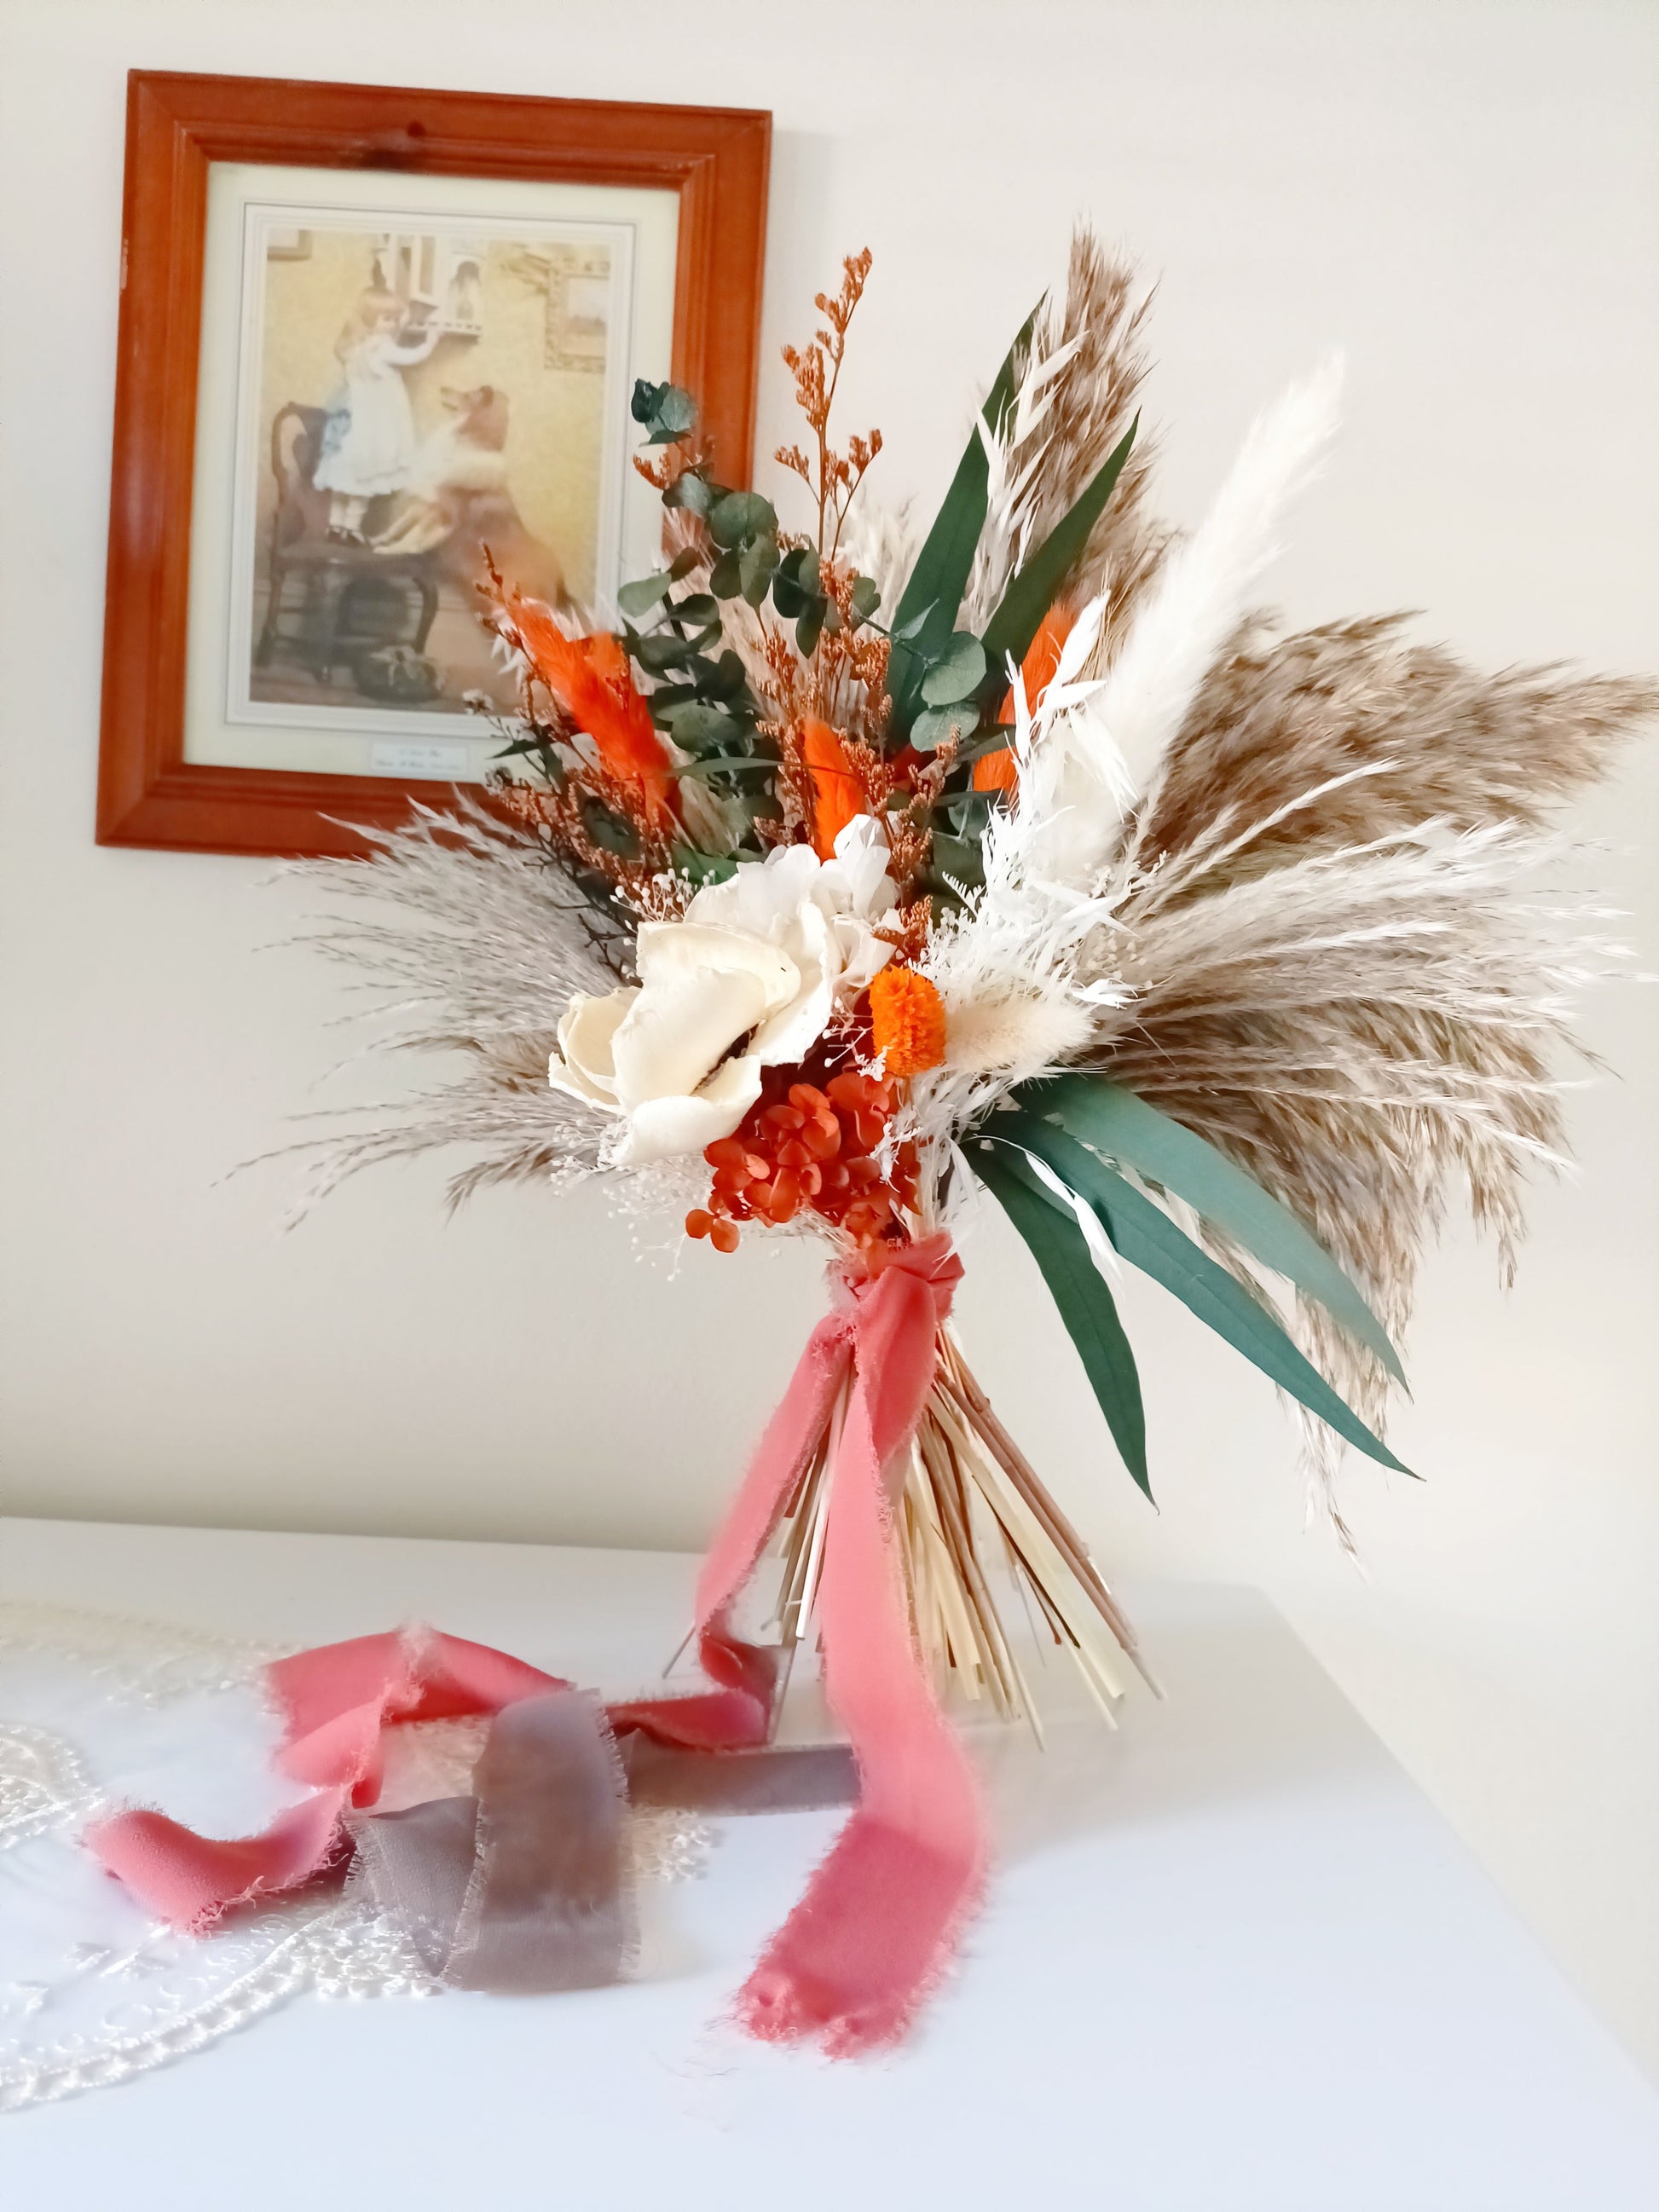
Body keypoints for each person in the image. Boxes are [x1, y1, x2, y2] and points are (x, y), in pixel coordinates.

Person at [313, 286, 442, 543]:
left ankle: (335, 527)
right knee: (363, 479)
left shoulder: (354, 347)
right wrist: (431, 340)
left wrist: (404, 315)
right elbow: (412, 356)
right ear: (370, 319)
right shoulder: (382, 348)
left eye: (395, 318)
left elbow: (393, 325)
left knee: (343, 479)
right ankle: (351, 529)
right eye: (387, 318)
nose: (394, 323)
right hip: (375, 425)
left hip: (352, 422)